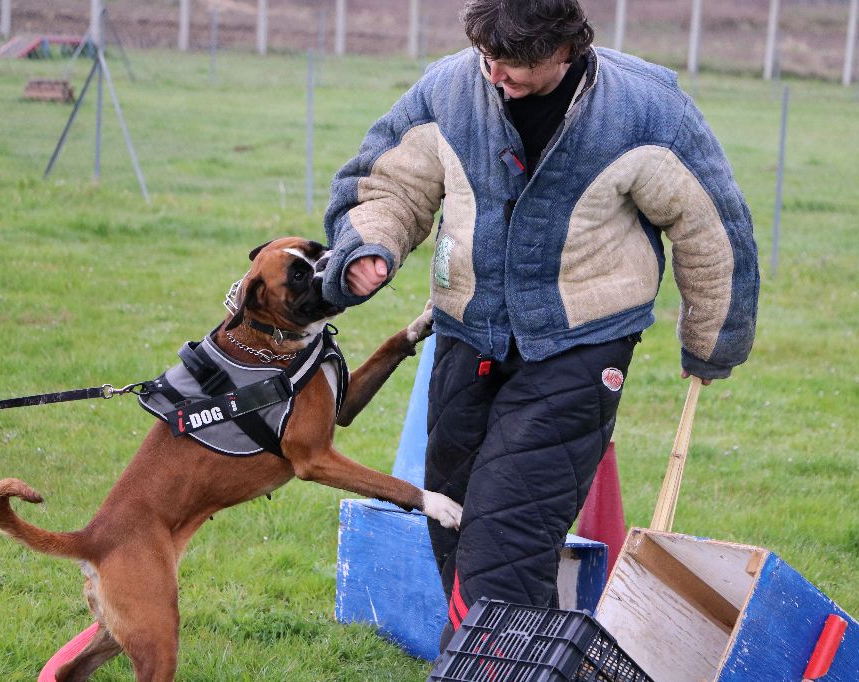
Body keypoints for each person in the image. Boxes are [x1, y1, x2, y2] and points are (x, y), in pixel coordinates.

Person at [321, 0, 759, 651]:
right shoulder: (448, 88)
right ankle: (525, 653)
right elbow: (387, 184)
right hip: (468, 331)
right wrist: (370, 249)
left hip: (583, 344)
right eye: (488, 58)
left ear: (566, 50)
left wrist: (714, 336)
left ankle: (485, 662)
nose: (496, 75)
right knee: (452, 513)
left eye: (516, 65)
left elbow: (709, 221)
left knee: (508, 535)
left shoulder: (644, 108)